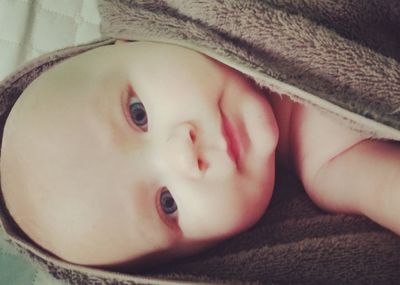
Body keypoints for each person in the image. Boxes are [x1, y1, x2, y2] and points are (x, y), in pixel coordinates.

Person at [1, 40, 399, 269]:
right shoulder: (331, 163)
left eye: (138, 114)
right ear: (204, 253)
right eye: (168, 204)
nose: (183, 156)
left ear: (133, 39)